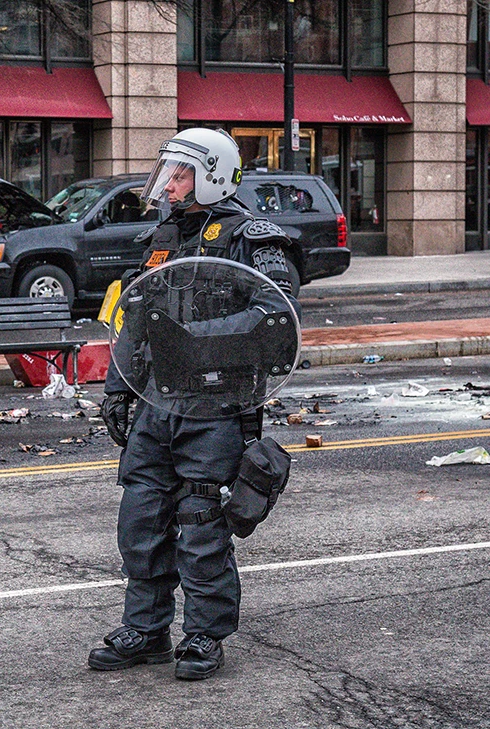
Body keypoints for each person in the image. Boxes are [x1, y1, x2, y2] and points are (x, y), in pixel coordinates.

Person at [89, 128, 299, 680]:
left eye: (180, 174)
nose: (170, 185)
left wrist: (198, 340)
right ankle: (147, 629)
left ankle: (204, 636)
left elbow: (275, 315)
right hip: (158, 402)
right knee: (142, 515)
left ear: (211, 174)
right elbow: (135, 316)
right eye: (169, 173)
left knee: (201, 518)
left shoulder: (252, 236)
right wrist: (117, 385)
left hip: (217, 402)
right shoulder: (161, 235)